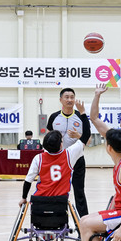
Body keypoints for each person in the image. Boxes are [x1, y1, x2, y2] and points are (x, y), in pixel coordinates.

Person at [46, 88, 90, 217]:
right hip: (59, 160)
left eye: (72, 97)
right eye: (66, 97)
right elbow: (48, 139)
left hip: (77, 159)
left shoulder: (80, 116)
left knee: (79, 191)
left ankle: (83, 220)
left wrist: (78, 136)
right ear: (61, 99)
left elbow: (88, 140)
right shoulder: (54, 117)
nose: (69, 100)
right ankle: (57, 217)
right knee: (57, 189)